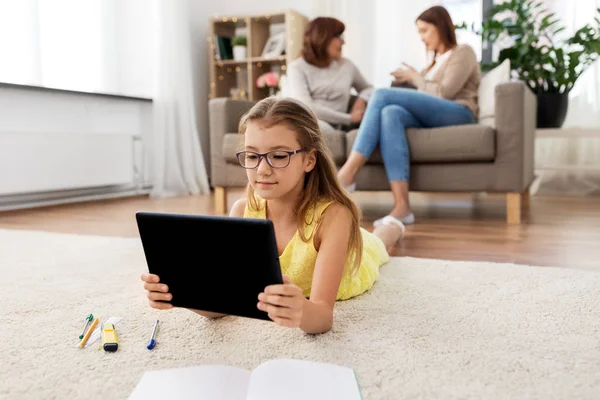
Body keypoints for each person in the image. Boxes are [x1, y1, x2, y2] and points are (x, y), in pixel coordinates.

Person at [141, 97, 404, 335]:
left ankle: (394, 224)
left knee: (379, 242)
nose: (262, 169)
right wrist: (181, 294)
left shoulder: (335, 216)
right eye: (252, 156)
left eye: (278, 156)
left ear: (309, 160)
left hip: (350, 266)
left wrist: (300, 308)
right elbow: (224, 304)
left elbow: (322, 316)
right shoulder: (242, 212)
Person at [336, 5, 481, 226]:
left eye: (425, 31)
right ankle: (402, 207)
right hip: (435, 114)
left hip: (459, 111)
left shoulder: (463, 52)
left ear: (440, 27)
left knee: (382, 94)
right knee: (390, 113)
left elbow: (445, 93)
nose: (422, 38)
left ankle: (348, 173)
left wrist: (414, 77)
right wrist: (410, 80)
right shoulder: (432, 63)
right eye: (419, 32)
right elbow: (426, 93)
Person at [285, 17, 372, 132]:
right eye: (339, 37)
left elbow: (369, 88)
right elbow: (307, 107)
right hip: (308, 124)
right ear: (322, 39)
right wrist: (349, 118)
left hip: (333, 128)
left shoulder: (347, 66)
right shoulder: (296, 68)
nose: (343, 42)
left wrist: (362, 99)